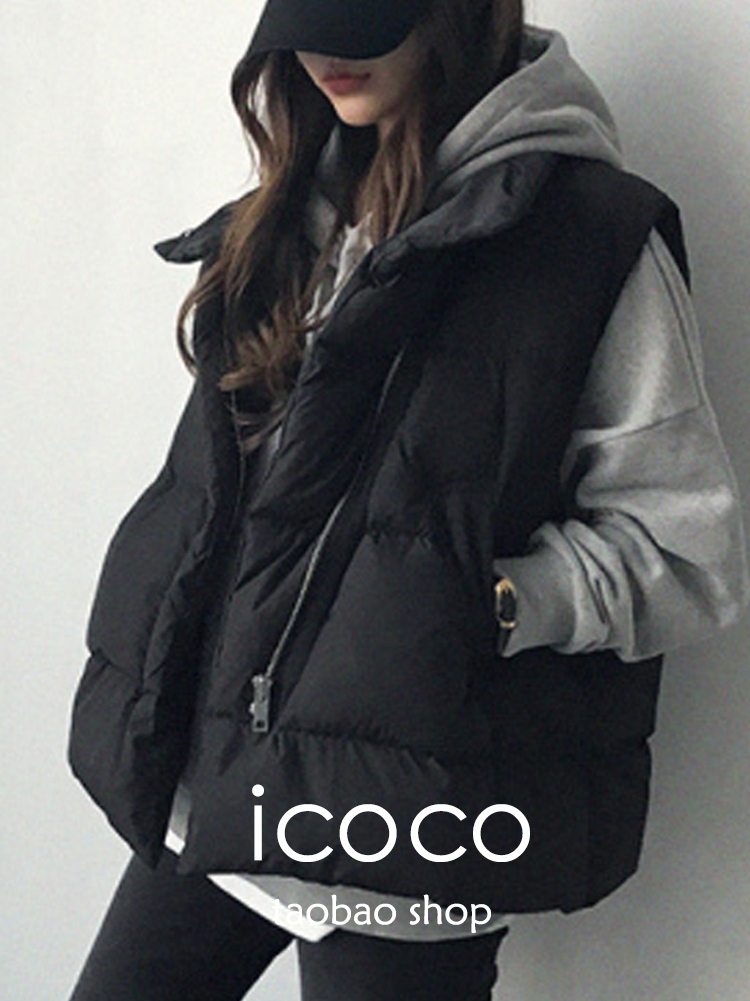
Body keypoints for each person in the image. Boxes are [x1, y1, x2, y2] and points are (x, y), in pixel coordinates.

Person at [67, 1, 748, 998]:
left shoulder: (588, 237)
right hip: (217, 784)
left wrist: (495, 604)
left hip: (411, 829)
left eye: (363, 19)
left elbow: (685, 548)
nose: (323, 52)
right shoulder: (289, 211)